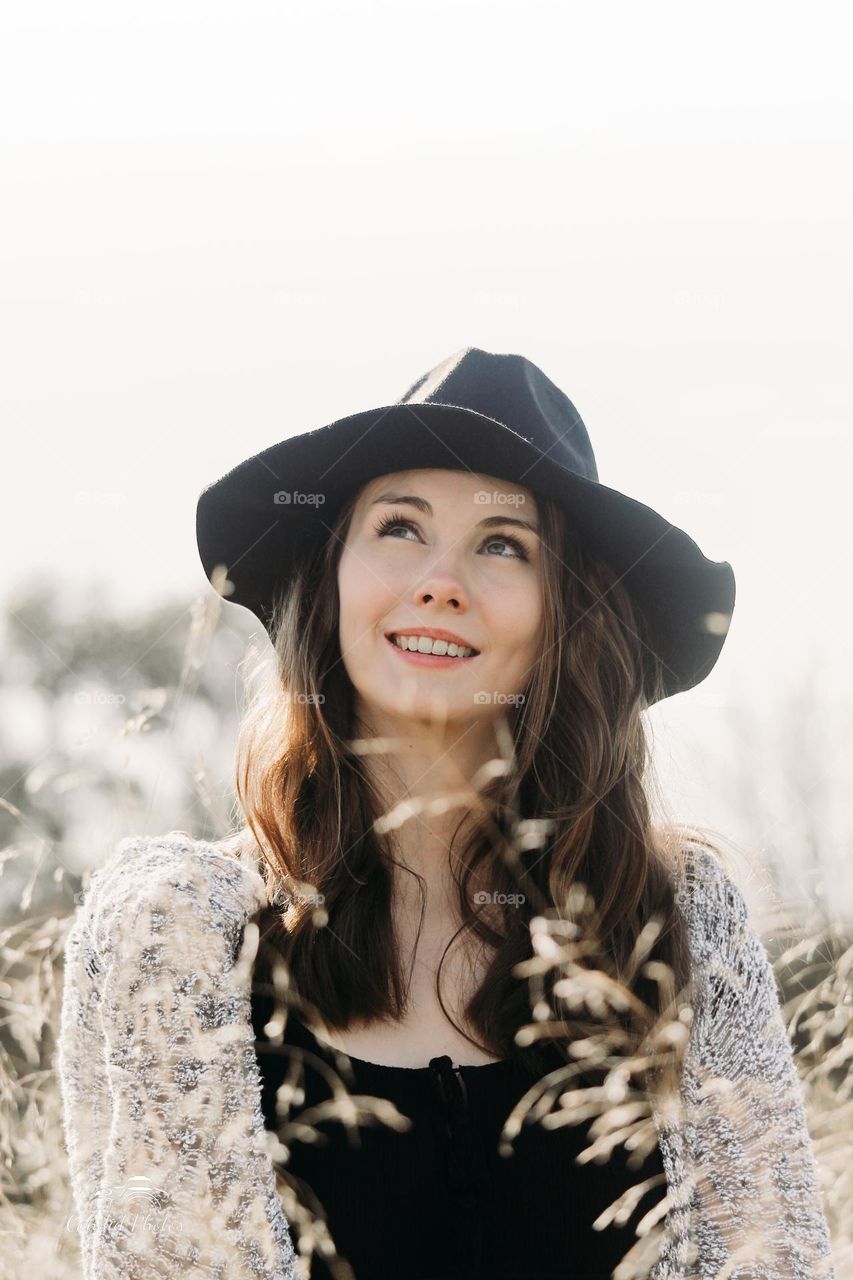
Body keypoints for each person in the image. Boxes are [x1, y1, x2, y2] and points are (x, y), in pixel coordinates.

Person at [58, 348, 836, 1279]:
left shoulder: (678, 921)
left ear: (567, 615)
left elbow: (772, 1258)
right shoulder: (175, 931)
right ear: (333, 576)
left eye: (503, 543)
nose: (439, 580)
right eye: (398, 527)